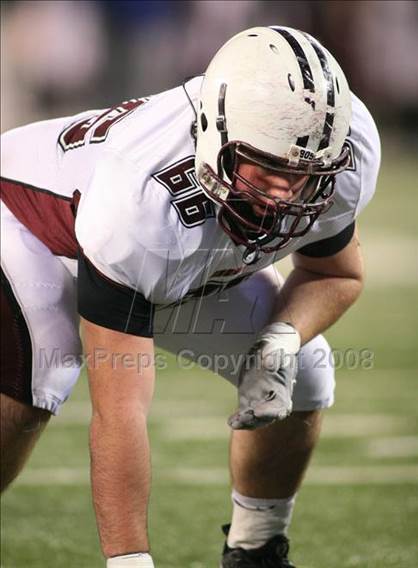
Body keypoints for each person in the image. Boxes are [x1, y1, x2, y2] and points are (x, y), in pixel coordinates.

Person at [0, 26, 380, 567]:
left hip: (172, 255)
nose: (285, 191)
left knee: (305, 368)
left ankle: (254, 550)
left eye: (304, 173)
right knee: (43, 369)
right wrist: (129, 561)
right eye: (268, 166)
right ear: (215, 133)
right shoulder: (140, 202)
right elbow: (120, 413)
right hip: (31, 229)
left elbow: (337, 274)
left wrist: (281, 336)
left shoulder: (347, 151)